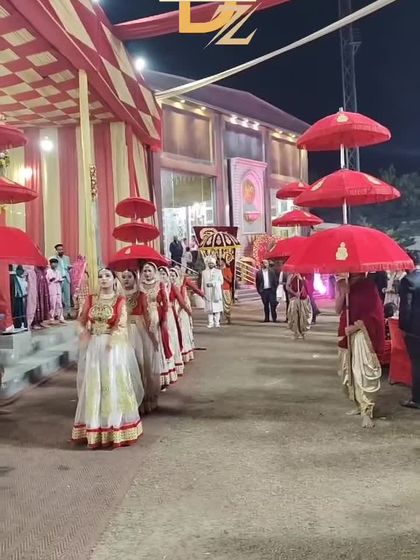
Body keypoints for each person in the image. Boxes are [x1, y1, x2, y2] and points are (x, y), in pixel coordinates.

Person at [72, 268, 143, 449]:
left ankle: (114, 425)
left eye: (107, 276)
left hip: (112, 347)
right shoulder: (91, 299)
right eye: (100, 276)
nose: (103, 279)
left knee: (112, 382)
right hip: (94, 345)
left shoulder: (119, 301)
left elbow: (121, 324)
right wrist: (84, 333)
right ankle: (95, 426)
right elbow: (81, 321)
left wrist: (113, 340)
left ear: (113, 280)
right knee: (95, 383)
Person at [336, 274, 385, 428]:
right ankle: (358, 404)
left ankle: (367, 411)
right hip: (345, 332)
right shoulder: (342, 283)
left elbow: (374, 314)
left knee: (363, 372)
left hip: (362, 334)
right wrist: (343, 293)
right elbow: (337, 309)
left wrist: (355, 327)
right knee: (348, 372)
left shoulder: (368, 286)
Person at [139, 262, 175, 391]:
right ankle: (148, 379)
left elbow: (165, 302)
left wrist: (163, 319)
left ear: (154, 272)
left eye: (149, 271)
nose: (147, 273)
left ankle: (162, 378)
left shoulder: (159, 285)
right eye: (145, 271)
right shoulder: (140, 286)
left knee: (158, 345)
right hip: (144, 318)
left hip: (158, 318)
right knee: (146, 346)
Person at [398, 256, 420, 409]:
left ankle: (417, 399)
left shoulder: (408, 280)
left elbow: (405, 307)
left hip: (414, 328)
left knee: (417, 363)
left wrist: (402, 327)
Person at [159, 266, 184, 377]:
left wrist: (182, 311)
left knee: (171, 337)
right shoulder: (156, 287)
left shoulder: (171, 286)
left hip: (169, 314)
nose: (161, 276)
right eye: (159, 274)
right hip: (159, 315)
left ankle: (174, 363)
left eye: (163, 274)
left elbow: (181, 300)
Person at [286, 273, 313, 339]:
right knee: (294, 316)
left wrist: (301, 280)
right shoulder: (291, 275)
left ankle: (302, 331)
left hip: (303, 299)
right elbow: (287, 286)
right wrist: (294, 293)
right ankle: (296, 332)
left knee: (303, 316)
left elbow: (307, 286)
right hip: (294, 299)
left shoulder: (305, 275)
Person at [201, 256, 224, 328]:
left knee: (217, 308)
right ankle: (210, 323)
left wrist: (214, 284)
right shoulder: (204, 272)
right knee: (209, 309)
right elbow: (202, 283)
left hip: (216, 292)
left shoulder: (218, 271)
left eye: (212, 263)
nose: (211, 264)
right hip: (208, 292)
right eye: (209, 263)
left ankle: (217, 322)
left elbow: (221, 281)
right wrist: (202, 292)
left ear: (214, 264)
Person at [54, 244, 72, 319]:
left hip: (66, 278)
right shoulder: (54, 258)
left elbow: (69, 267)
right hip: (58, 280)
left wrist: (70, 267)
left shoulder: (67, 258)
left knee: (67, 297)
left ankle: (68, 313)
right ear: (56, 250)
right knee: (58, 297)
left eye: (62, 249)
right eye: (59, 250)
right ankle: (58, 314)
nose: (61, 251)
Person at [46, 258, 65, 324]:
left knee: (59, 304)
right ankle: (51, 318)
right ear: (51, 264)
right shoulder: (48, 272)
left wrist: (60, 281)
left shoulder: (58, 272)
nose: (55, 265)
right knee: (52, 304)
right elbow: (47, 281)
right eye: (54, 263)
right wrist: (51, 280)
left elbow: (60, 279)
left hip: (58, 289)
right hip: (52, 289)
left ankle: (61, 317)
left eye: (56, 263)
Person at [11, 265, 28, 330]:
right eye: (20, 270)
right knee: (18, 311)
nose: (21, 272)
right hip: (16, 297)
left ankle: (22, 324)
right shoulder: (14, 277)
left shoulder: (22, 278)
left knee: (21, 311)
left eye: (22, 271)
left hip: (21, 296)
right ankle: (18, 324)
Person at [220, 258, 233, 324]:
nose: (219, 263)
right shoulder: (217, 270)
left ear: (224, 262)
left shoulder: (227, 270)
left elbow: (230, 280)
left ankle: (228, 317)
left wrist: (223, 276)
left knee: (227, 304)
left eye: (221, 261)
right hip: (219, 289)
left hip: (226, 289)